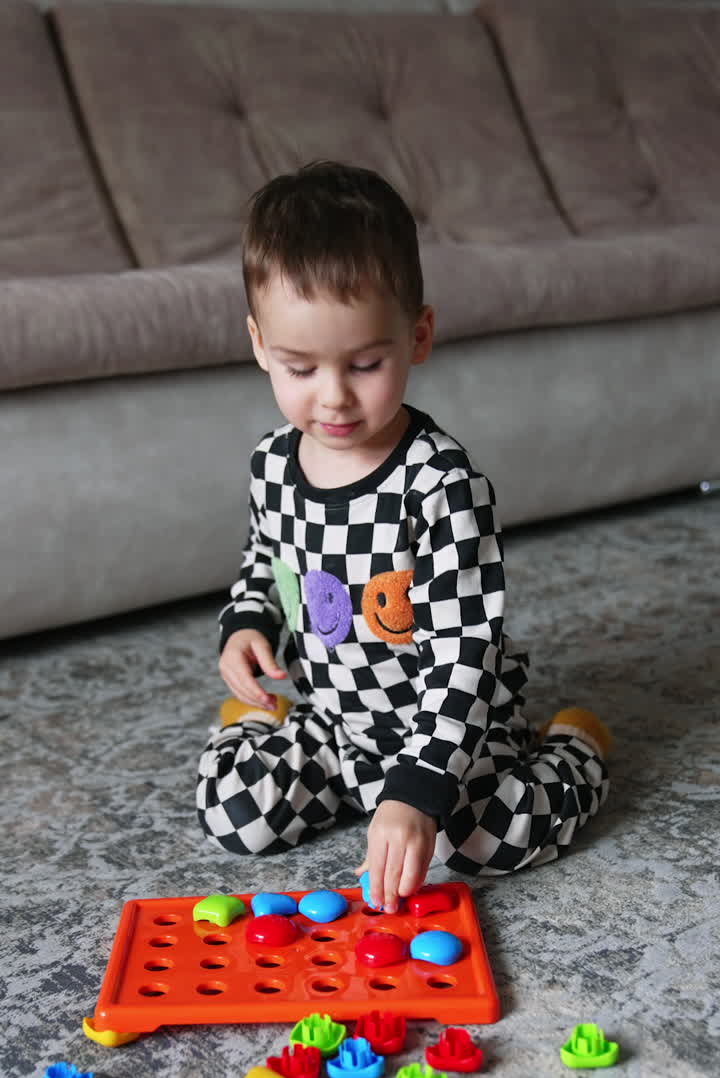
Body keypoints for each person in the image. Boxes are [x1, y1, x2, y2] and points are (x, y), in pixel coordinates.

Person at [197, 160, 610, 913]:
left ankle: (576, 747)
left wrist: (420, 789)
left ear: (417, 336)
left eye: (365, 363)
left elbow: (465, 652)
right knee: (234, 812)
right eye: (298, 367)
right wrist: (249, 622)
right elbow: (264, 561)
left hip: (442, 726)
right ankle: (262, 726)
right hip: (333, 720)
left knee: (480, 841)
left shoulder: (440, 483)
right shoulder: (270, 463)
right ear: (259, 345)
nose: (333, 397)